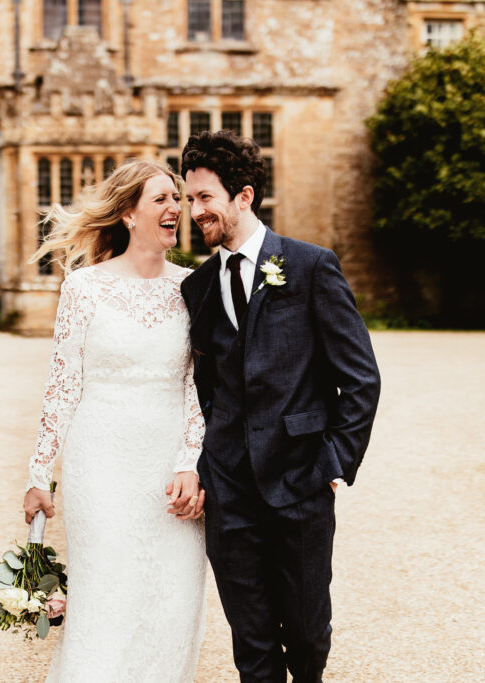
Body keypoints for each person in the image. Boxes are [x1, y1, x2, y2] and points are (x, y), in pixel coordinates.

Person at [174, 130, 381, 682]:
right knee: (253, 642)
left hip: (301, 479)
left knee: (309, 634)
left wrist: (333, 461)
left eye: (204, 198)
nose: (194, 211)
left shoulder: (311, 267)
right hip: (229, 488)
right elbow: (205, 389)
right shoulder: (196, 288)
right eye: (189, 199)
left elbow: (360, 378)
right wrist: (204, 466)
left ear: (243, 197)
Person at [22, 160, 207, 682]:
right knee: (106, 597)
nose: (177, 209)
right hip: (100, 464)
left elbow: (200, 387)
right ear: (128, 214)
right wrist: (39, 475)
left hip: (173, 469)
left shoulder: (195, 287)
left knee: (172, 601)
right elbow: (63, 385)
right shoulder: (84, 288)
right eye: (163, 200)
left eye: (179, 198)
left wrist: (191, 462)